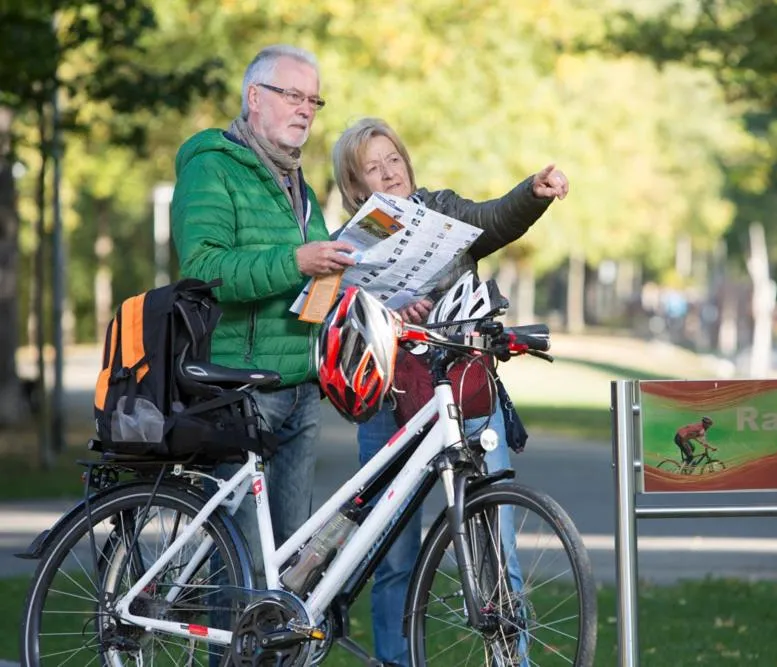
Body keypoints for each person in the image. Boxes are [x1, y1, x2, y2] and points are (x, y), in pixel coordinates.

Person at [331, 116, 568, 666]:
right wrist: (385, 311)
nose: (389, 173)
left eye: (394, 160)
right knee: (394, 555)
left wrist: (532, 194)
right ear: (355, 185)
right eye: (373, 167)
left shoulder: (441, 210)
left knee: (496, 547)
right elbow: (333, 317)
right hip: (390, 407)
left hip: (465, 394)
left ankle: (514, 661)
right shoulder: (349, 244)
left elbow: (493, 219)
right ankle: (396, 659)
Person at [170, 44, 357, 574]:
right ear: (255, 96)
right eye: (293, 95)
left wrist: (368, 293)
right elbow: (205, 270)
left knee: (289, 567)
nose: (305, 109)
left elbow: (320, 280)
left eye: (314, 100)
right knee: (244, 570)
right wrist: (298, 259)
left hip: (300, 389)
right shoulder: (212, 169)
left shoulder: (298, 182)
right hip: (239, 393)